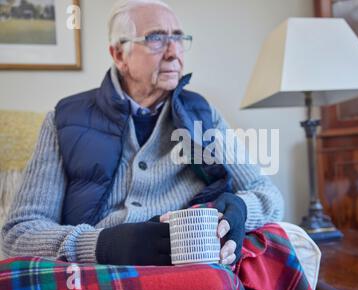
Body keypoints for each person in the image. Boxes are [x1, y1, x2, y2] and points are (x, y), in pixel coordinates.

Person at [1, 0, 284, 268]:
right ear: (119, 54)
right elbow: (19, 234)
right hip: (97, 270)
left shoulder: (204, 114)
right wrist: (101, 244)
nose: (174, 52)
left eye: (179, 38)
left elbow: (267, 194)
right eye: (156, 38)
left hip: (189, 262)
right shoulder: (64, 119)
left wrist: (241, 208)